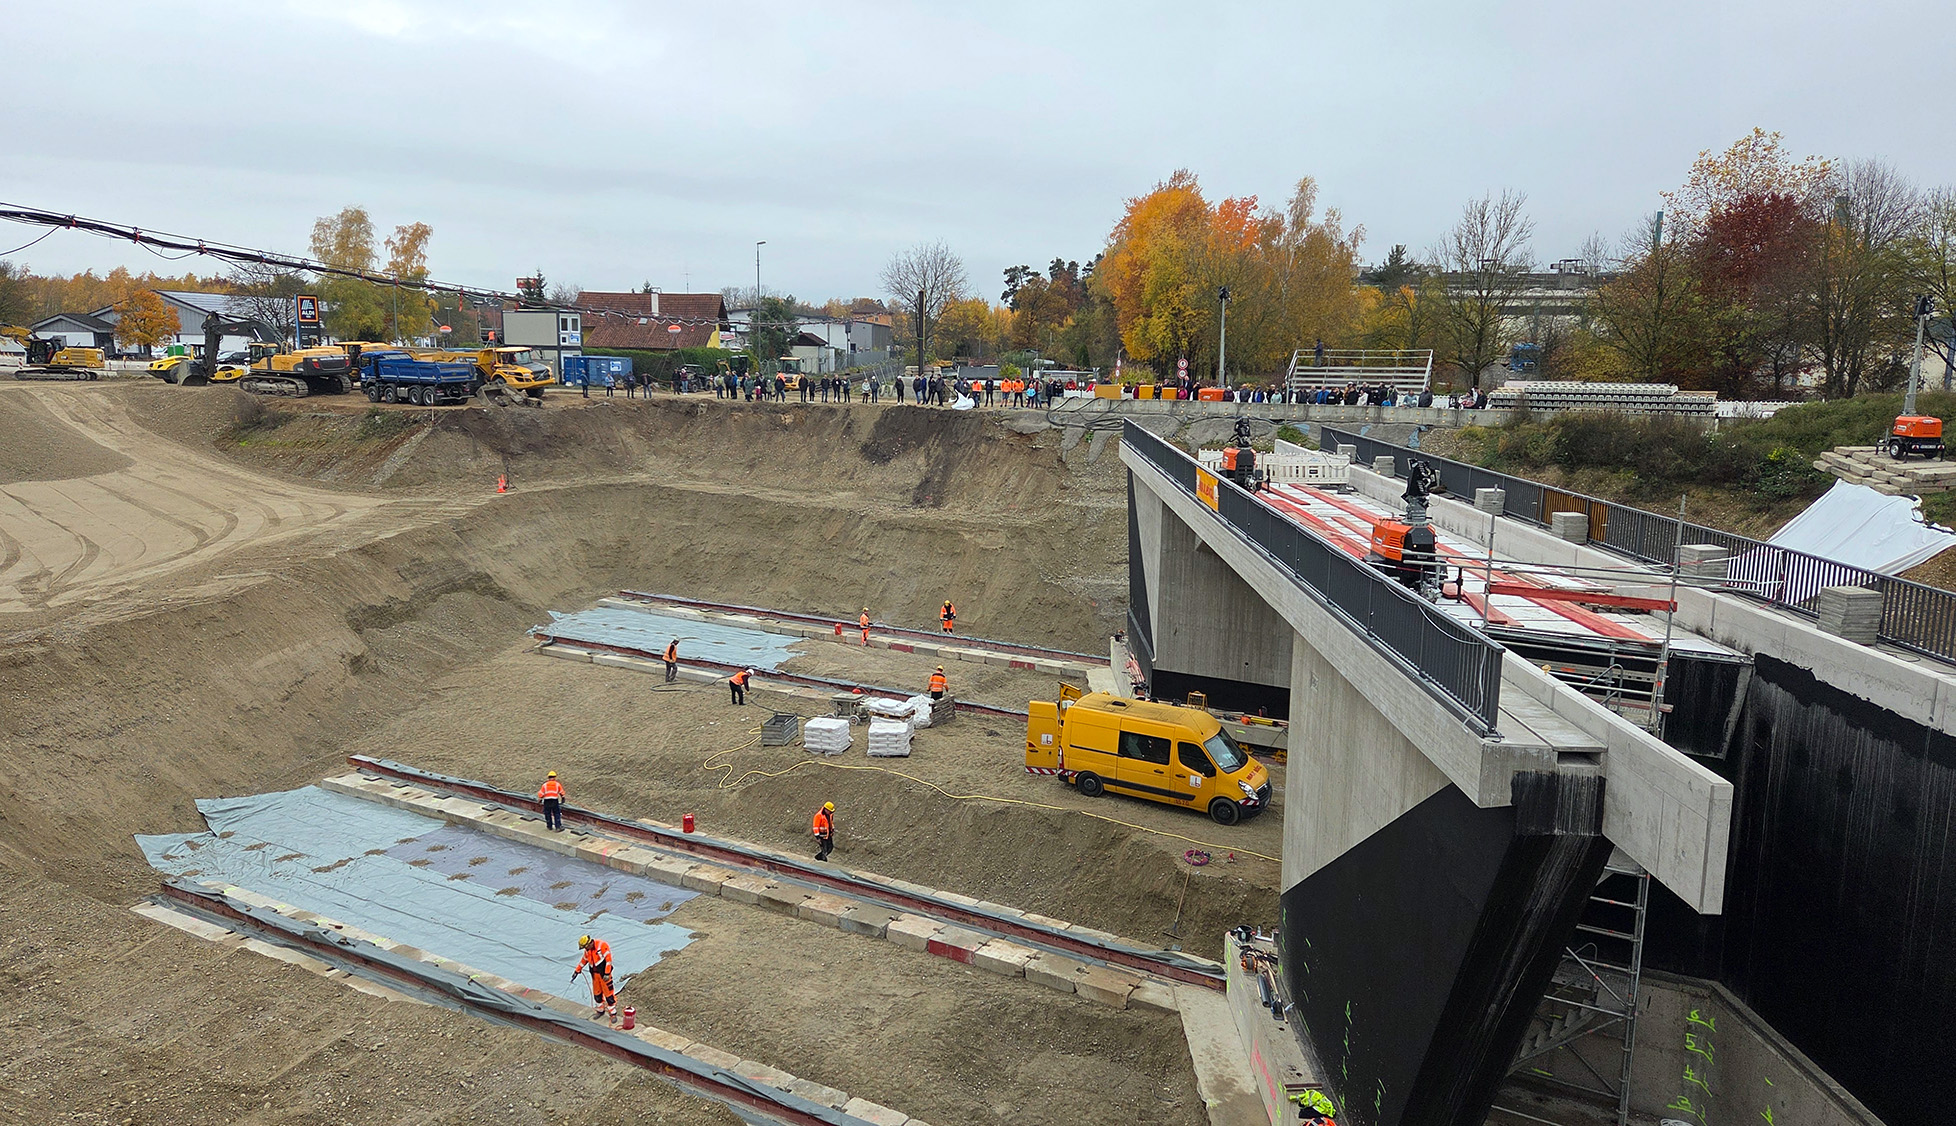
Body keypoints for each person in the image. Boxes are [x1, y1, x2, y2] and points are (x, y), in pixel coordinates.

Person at [571, 935, 616, 1022]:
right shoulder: (588, 951)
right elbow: (583, 960)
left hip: (604, 975)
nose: (586, 949)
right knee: (597, 994)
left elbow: (608, 960)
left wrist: (607, 973)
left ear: (590, 943)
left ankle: (613, 1013)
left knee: (609, 995)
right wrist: (577, 971)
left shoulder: (602, 946)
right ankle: (600, 1010)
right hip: (595, 975)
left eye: (586, 947)